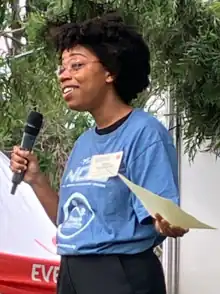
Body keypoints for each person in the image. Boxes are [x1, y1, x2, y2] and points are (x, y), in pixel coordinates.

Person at [10, 13, 188, 294]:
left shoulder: (143, 132)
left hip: (119, 273)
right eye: (62, 68)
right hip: (71, 270)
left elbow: (160, 215)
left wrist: (166, 224)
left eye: (76, 65)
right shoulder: (84, 143)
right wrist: (37, 180)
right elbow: (69, 221)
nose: (64, 75)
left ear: (110, 71)